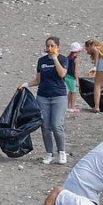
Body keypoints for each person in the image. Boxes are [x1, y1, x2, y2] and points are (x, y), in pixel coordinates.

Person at [19, 37, 69, 165]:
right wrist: (26, 84)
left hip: (59, 96)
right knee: (45, 126)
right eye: (48, 46)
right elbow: (38, 79)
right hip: (43, 96)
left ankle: (62, 152)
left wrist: (55, 59)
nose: (49, 48)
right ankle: (49, 153)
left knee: (57, 125)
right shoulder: (41, 61)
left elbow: (62, 74)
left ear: (57, 47)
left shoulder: (63, 59)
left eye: (52, 46)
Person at [65, 42, 83, 113]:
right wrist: (77, 80)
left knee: (70, 91)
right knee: (73, 92)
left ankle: (68, 105)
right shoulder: (76, 59)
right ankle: (72, 107)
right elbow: (76, 71)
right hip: (72, 77)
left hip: (66, 76)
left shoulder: (67, 58)